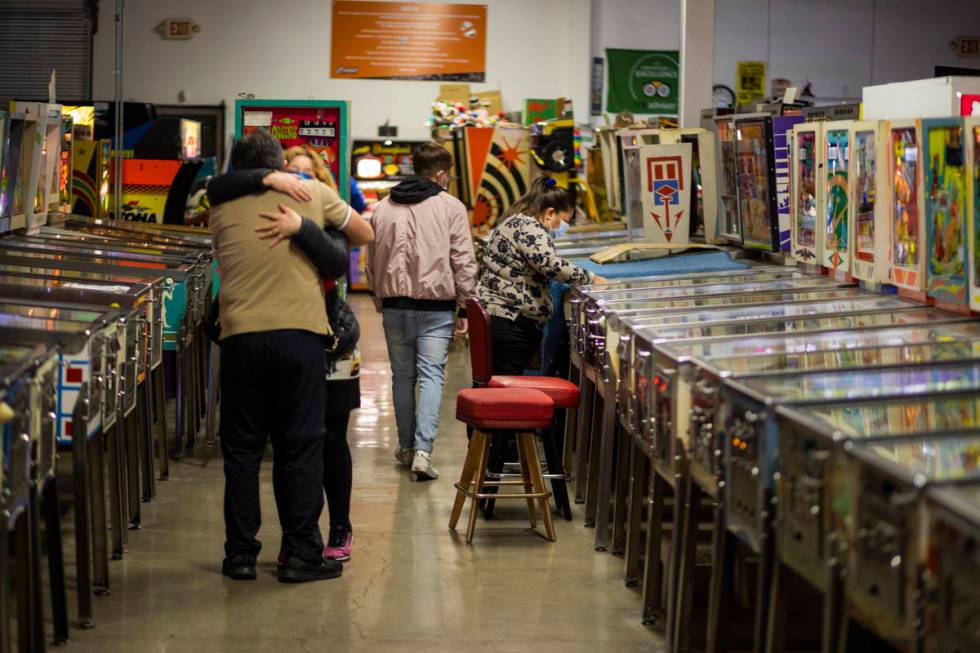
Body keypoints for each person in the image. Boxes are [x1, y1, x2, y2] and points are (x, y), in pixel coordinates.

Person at [208, 129, 367, 584]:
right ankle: (300, 553)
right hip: (300, 339)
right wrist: (314, 226)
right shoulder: (311, 192)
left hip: (238, 338)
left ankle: (239, 555)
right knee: (300, 446)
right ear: (276, 166)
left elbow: (217, 186)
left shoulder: (219, 204)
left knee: (241, 450)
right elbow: (363, 233)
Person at [366, 142, 478, 481]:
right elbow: (463, 259)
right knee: (431, 376)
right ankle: (423, 452)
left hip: (395, 305)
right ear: (441, 174)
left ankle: (404, 447)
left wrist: (377, 296)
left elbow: (371, 258)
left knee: (402, 377)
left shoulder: (383, 207)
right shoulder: (451, 207)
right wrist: (466, 306)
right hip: (437, 308)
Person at [477, 176, 607, 376]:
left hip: (500, 316)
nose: (564, 227)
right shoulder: (530, 227)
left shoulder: (516, 220)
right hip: (509, 320)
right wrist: (591, 278)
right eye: (564, 221)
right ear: (550, 213)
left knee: (495, 384)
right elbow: (550, 264)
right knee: (504, 390)